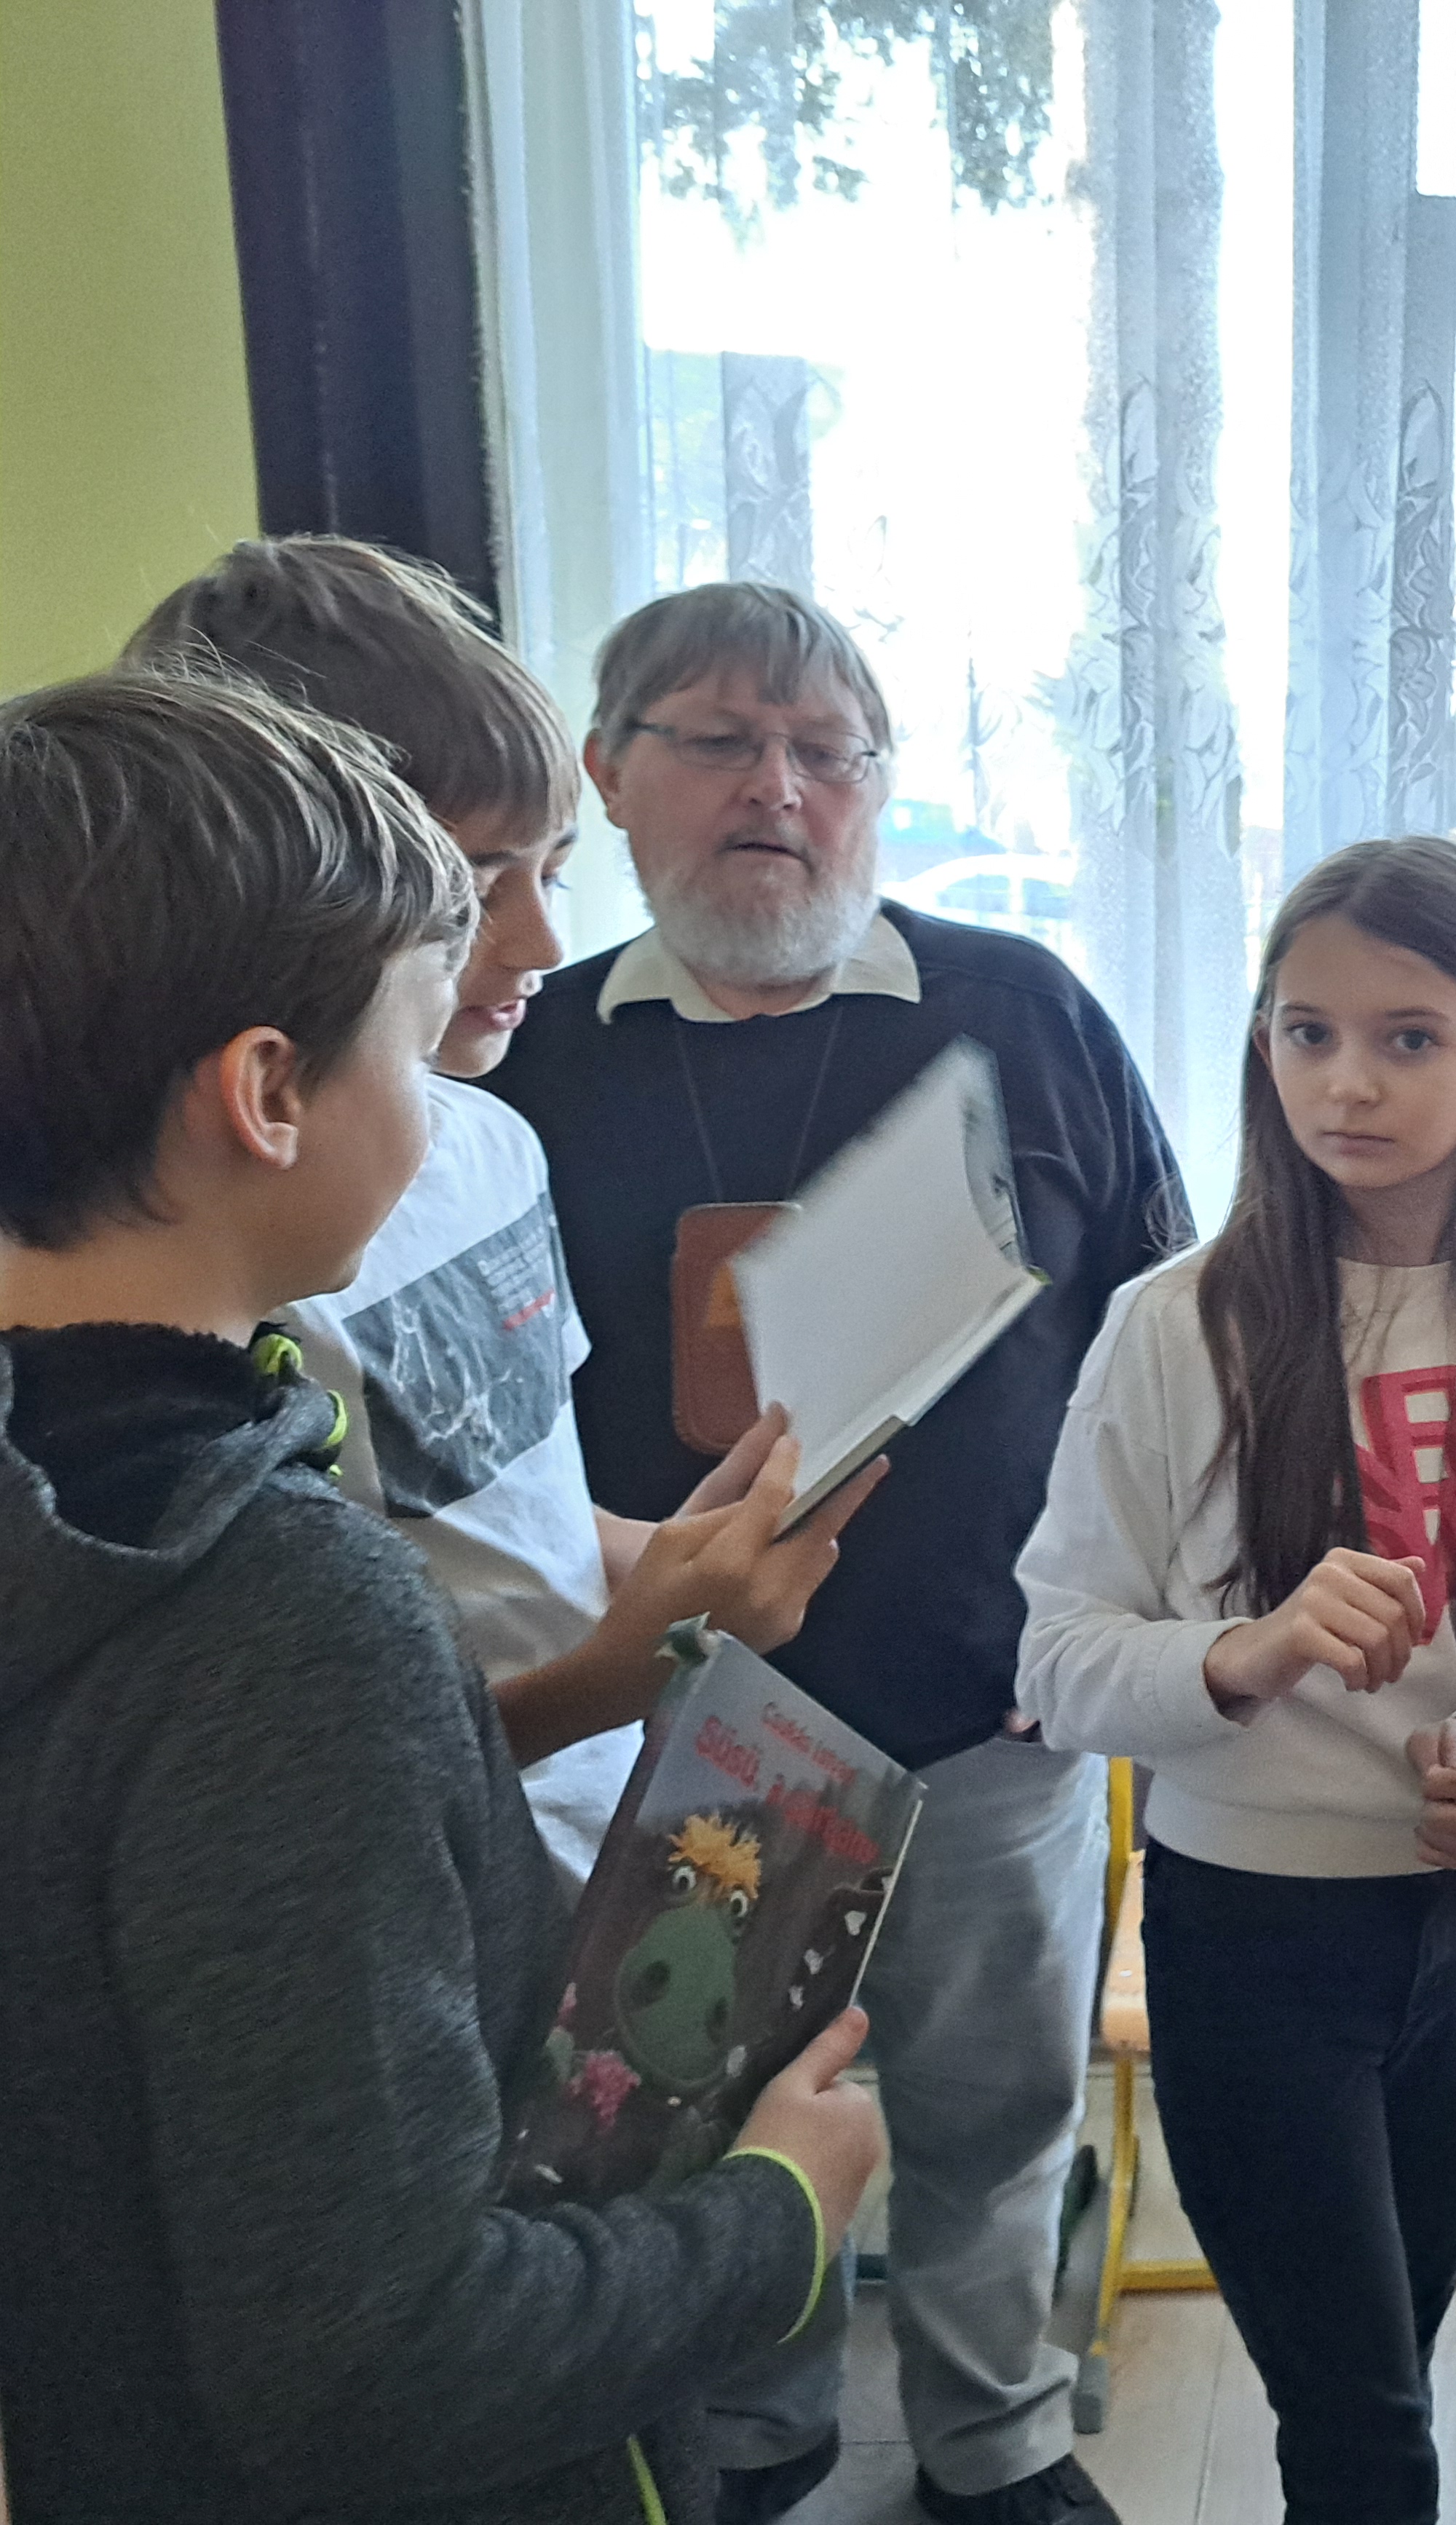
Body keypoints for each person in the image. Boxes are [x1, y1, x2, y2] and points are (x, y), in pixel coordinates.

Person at [0, 671, 884, 2525]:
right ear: (266, 1096)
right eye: (410, 1046)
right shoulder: (281, 1612)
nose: (440, 1093)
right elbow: (378, 2365)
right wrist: (776, 2214)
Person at [483, 582, 1185, 2525]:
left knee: (993, 2115)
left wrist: (1129, 1620)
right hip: (663, 1734)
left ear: (878, 786)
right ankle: (757, 2437)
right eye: (719, 741)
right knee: (699, 2118)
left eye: (826, 752)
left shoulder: (1022, 1014)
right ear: (609, 772)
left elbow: (1167, 1336)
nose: (777, 790)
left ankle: (994, 2442)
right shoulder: (526, 1060)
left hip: (984, 1713)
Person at [124, 537, 877, 1882]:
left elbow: (511, 1507)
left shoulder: (493, 1141)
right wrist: (614, 1675)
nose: (540, 945)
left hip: (591, 1844)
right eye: (474, 893)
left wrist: (672, 1565)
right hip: (408, 1878)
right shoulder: (212, 1266)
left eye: (555, 871)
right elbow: (290, 1768)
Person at [1015, 838, 1456, 2525]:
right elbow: (1053, 1663)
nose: (1347, 1082)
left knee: (1384, 2374)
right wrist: (1247, 1647)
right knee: (1365, 2434)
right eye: (1307, 1032)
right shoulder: (1172, 1325)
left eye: (1408, 1038)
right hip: (1251, 1937)